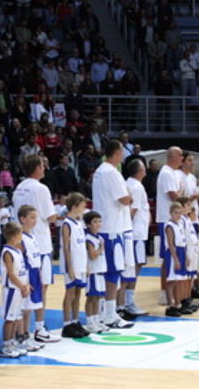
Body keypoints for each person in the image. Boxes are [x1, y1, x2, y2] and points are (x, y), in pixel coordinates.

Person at [10, 154, 60, 342]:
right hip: (39, 243)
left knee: (25, 287)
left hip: (21, 242)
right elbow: (50, 216)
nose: (45, 168)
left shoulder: (19, 188)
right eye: (42, 165)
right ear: (37, 168)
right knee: (41, 287)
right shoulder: (41, 188)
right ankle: (39, 328)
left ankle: (22, 331)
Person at [91, 140, 134, 329]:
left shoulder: (99, 171)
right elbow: (125, 199)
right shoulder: (112, 172)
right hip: (113, 228)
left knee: (106, 271)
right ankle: (110, 313)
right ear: (117, 152)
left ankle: (103, 312)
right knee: (113, 272)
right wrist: (130, 196)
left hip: (104, 227)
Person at [16, 205, 50, 350]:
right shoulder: (20, 238)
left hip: (35, 273)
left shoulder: (32, 236)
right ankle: (21, 337)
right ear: (23, 219)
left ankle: (27, 335)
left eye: (36, 217)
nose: (35, 220)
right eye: (32, 217)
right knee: (23, 308)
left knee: (29, 308)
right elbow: (20, 261)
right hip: (27, 275)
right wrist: (25, 281)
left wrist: (40, 276)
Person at [155, 147, 183, 306]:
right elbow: (174, 196)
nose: (182, 158)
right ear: (173, 156)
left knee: (174, 256)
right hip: (166, 218)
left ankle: (173, 293)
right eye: (180, 155)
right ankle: (164, 292)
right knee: (167, 257)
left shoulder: (173, 173)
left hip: (174, 218)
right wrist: (183, 196)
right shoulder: (166, 173)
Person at [0, 222, 31, 357]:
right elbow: (11, 274)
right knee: (10, 319)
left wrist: (27, 285)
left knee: (16, 317)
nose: (22, 236)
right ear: (14, 236)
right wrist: (22, 286)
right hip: (11, 290)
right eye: (20, 233)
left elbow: (23, 271)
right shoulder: (7, 252)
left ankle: (12, 343)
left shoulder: (17, 250)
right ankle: (6, 346)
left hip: (19, 289)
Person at [124, 160, 150, 317]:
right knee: (135, 266)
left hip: (134, 232)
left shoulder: (128, 183)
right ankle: (129, 302)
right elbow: (133, 211)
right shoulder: (137, 186)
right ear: (140, 171)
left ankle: (126, 301)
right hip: (137, 233)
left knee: (132, 266)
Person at [60, 193, 88, 338]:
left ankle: (75, 321)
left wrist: (86, 264)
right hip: (71, 263)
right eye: (83, 205)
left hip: (81, 262)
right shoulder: (67, 224)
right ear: (75, 206)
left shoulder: (79, 223)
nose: (85, 208)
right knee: (70, 293)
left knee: (78, 293)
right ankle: (66, 324)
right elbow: (66, 246)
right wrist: (69, 266)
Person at [163, 202, 187, 317]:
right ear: (170, 213)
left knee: (177, 280)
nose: (178, 215)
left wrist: (185, 257)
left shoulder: (179, 224)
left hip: (181, 251)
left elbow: (182, 241)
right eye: (175, 212)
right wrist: (176, 259)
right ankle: (169, 305)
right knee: (171, 281)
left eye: (180, 213)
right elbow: (171, 244)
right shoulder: (169, 225)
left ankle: (177, 303)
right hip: (174, 253)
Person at [83, 211, 106, 329]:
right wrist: (101, 249)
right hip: (92, 272)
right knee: (91, 297)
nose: (98, 224)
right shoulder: (88, 238)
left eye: (99, 221)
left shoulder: (100, 237)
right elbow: (92, 255)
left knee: (98, 297)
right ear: (88, 225)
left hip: (100, 270)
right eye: (95, 222)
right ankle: (89, 321)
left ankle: (96, 320)